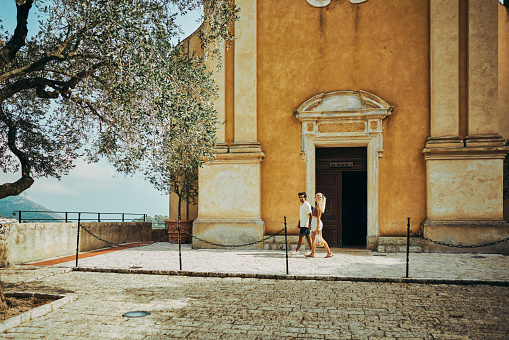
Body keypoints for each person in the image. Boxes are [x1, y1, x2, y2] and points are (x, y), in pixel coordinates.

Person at [306, 193, 333, 258]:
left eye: (315, 196)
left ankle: (329, 252)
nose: (314, 197)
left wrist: (318, 227)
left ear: (318, 198)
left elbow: (318, 218)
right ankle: (312, 253)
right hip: (314, 222)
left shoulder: (319, 207)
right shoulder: (317, 206)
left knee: (320, 238)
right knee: (313, 238)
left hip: (317, 223)